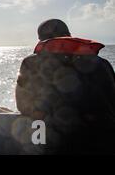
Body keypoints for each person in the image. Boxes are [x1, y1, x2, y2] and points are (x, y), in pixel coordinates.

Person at [16, 19, 115, 154]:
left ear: (40, 40)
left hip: (51, 142)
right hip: (100, 140)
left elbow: (22, 105)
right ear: (69, 35)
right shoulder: (102, 63)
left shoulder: (30, 63)